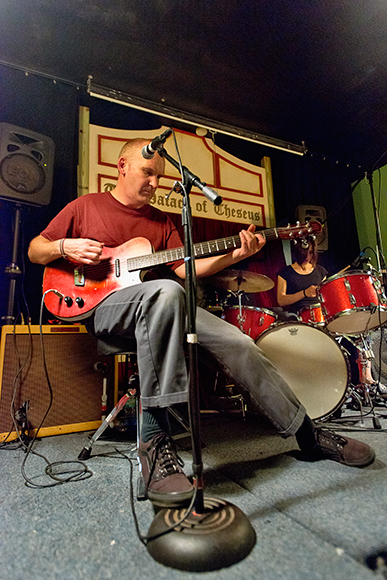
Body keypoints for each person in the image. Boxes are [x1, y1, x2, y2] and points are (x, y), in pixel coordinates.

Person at [28, 138, 375, 509]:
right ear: (123, 166)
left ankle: (307, 434)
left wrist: (235, 255)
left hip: (161, 301)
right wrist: (65, 248)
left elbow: (187, 271)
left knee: (238, 341)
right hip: (100, 306)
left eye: (159, 177)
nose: (154, 183)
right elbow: (36, 249)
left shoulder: (161, 221)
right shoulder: (86, 206)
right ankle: (156, 439)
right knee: (164, 291)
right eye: (147, 172)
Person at [277, 236, 327, 316]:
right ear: (298, 252)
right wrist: (304, 293)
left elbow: (327, 297)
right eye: (304, 253)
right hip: (297, 316)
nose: (307, 257)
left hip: (320, 314)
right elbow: (281, 301)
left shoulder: (321, 271)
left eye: (310, 252)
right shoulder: (285, 272)